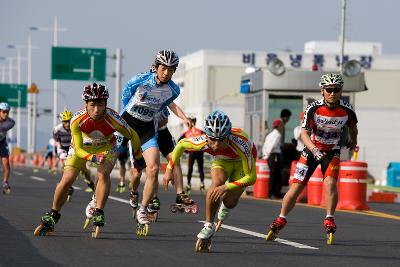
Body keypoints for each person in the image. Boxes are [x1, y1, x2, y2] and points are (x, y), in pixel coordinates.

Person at [34, 83, 144, 237]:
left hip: (106, 147)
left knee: (103, 175)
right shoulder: (77, 120)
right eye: (93, 104)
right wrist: (92, 157)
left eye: (100, 104)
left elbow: (134, 135)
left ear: (106, 103)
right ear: (86, 104)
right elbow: (78, 150)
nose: (97, 110)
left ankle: (99, 211)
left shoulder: (114, 118)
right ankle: (53, 214)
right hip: (82, 148)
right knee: (67, 179)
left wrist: (138, 159)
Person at [266, 73, 358, 245]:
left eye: (336, 90)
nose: (332, 93)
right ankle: (281, 218)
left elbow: (353, 129)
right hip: (311, 150)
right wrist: (314, 149)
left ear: (341, 91)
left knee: (330, 183)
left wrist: (354, 142)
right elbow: (303, 133)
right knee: (296, 188)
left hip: (332, 152)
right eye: (329, 90)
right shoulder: (313, 108)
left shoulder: (347, 110)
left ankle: (329, 218)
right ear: (322, 91)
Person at [163, 110, 257, 252]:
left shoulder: (240, 143)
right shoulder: (202, 141)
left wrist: (226, 188)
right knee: (215, 186)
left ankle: (224, 207)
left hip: (240, 161)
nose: (217, 144)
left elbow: (251, 178)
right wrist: (169, 169)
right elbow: (181, 145)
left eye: (221, 139)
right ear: (206, 136)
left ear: (228, 136)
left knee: (230, 202)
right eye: (213, 139)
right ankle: (208, 225)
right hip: (221, 160)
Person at [120, 50, 191, 227]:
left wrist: (184, 118)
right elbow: (125, 96)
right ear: (156, 67)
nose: (166, 73)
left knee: (153, 168)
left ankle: (143, 209)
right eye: (163, 68)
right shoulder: (140, 80)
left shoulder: (173, 90)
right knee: (128, 169)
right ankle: (99, 198)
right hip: (128, 124)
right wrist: (133, 110)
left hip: (147, 128)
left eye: (171, 69)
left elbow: (169, 105)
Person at [128, 107, 195, 219]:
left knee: (174, 159)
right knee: (137, 173)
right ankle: (134, 192)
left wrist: (184, 118)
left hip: (162, 132)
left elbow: (169, 112)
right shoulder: (139, 94)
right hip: (143, 134)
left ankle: (179, 194)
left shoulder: (162, 93)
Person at [53, 109, 96, 200]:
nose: (68, 124)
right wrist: (57, 155)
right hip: (63, 150)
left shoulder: (75, 126)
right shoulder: (57, 129)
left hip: (74, 148)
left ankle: (90, 183)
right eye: (65, 122)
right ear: (62, 121)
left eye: (69, 121)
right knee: (68, 167)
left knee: (84, 170)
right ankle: (69, 186)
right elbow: (57, 144)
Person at [179, 116, 205, 193]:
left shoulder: (187, 133)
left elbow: (179, 142)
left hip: (192, 152)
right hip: (199, 152)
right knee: (200, 169)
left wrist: (186, 151)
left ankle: (188, 184)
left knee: (190, 169)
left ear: (192, 123)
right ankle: (201, 183)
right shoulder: (200, 131)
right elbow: (207, 141)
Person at [262, 118, 285, 199]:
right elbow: (272, 146)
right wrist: (268, 154)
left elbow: (265, 146)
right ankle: (273, 192)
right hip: (275, 155)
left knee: (273, 174)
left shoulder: (269, 135)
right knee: (276, 174)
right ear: (279, 126)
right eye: (281, 125)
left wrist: (265, 155)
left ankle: (272, 192)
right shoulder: (277, 135)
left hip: (270, 156)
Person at [0, 102, 15, 194]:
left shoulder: (10, 122)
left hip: (2, 142)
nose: (6, 114)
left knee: (6, 163)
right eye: (4, 112)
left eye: (7, 112)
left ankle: (5, 182)